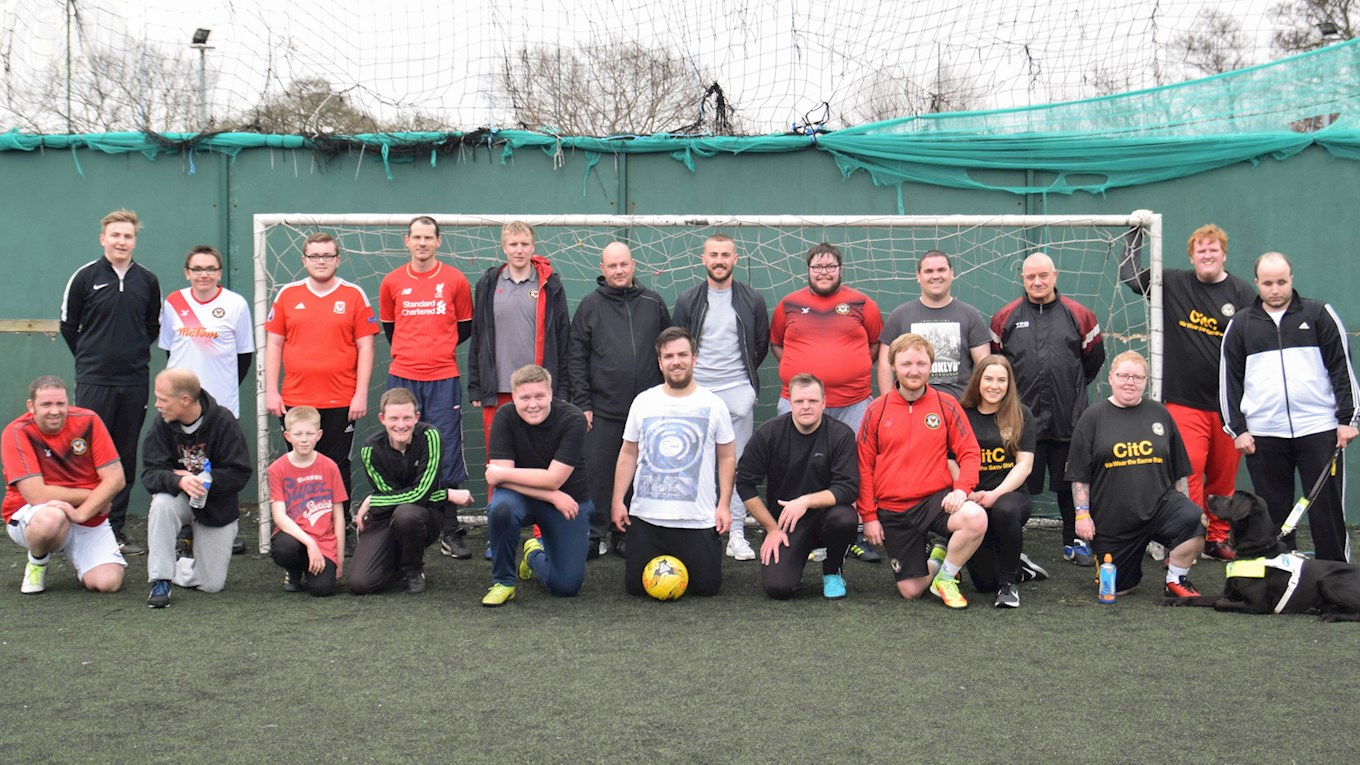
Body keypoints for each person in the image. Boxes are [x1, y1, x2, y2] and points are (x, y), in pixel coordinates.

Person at [1121, 224, 1256, 560]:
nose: (1207, 255)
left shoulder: (1242, 293)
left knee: (1223, 479)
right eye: (1201, 250)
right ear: (1192, 256)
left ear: (1224, 255)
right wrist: (1134, 234)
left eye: (1213, 250)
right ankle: (1188, 539)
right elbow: (1131, 277)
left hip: (1227, 407)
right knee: (1187, 475)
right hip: (1183, 402)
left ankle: (1217, 538)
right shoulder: (1173, 282)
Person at [1220, 252, 1358, 562]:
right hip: (1264, 434)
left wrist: (1347, 419)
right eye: (1268, 283)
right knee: (1272, 514)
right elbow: (1228, 381)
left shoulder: (1319, 314)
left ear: (1291, 279)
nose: (1275, 289)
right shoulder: (1241, 324)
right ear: (1257, 283)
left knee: (1326, 509)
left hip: (1319, 429)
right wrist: (1238, 430)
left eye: (1281, 282)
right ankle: (1281, 576)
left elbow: (1342, 368)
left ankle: (1335, 573)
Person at [990, 251, 1106, 567]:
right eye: (1031, 277)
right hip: (1021, 420)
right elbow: (998, 364)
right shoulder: (1004, 318)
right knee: (1017, 484)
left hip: (1070, 418)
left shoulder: (1080, 315)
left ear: (1055, 275)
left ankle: (1074, 542)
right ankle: (1012, 544)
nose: (1037, 282)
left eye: (1043, 275)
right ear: (1022, 278)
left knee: (1071, 483)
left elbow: (1092, 361)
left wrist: (1069, 390)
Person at [770, 242, 884, 562]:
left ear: (840, 269)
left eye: (830, 266)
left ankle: (854, 532)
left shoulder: (862, 303)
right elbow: (777, 344)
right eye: (817, 267)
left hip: (854, 403)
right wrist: (800, 373)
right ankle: (795, 530)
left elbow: (875, 344)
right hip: (798, 403)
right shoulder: (788, 305)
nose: (824, 272)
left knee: (857, 466)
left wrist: (849, 370)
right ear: (808, 270)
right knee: (796, 465)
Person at [858, 333, 987, 609]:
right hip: (893, 509)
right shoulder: (876, 410)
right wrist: (869, 516)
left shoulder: (946, 404)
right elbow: (864, 466)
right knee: (911, 591)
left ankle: (947, 577)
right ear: (894, 366)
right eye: (906, 364)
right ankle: (938, 558)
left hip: (934, 502)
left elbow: (970, 452)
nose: (914, 371)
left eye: (921, 363)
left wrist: (961, 490)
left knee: (975, 517)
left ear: (931, 366)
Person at [59, 209, 161, 555]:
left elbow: (152, 327)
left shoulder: (147, 281)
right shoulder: (85, 277)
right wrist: (92, 358)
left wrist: (128, 357)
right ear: (103, 238)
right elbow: (68, 326)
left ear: (135, 241)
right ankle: (84, 527)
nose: (121, 241)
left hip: (134, 381)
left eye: (128, 236)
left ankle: (114, 530)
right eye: (115, 235)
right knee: (86, 453)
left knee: (123, 454)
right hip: (94, 381)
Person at [1066, 351, 1205, 596]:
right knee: (1118, 589)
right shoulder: (1093, 417)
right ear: (1111, 378)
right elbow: (1079, 474)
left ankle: (1175, 580)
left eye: (1137, 377)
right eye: (1123, 376)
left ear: (1145, 381)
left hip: (1159, 508)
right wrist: (1082, 515)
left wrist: (1184, 509)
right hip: (1114, 520)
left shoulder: (1160, 413)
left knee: (1194, 518)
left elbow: (1179, 471)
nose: (1130, 382)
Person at [613, 327, 735, 597]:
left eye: (682, 354)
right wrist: (618, 500)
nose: (676, 361)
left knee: (706, 588)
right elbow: (628, 453)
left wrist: (724, 504)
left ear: (694, 358)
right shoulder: (643, 402)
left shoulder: (714, 404)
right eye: (668, 356)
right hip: (647, 518)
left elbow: (727, 456)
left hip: (697, 520)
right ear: (660, 362)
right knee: (636, 589)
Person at [379, 216, 475, 560]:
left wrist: (438, 348)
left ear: (438, 241)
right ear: (406, 241)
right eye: (416, 237)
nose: (422, 243)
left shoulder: (455, 280)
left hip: (443, 377)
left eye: (428, 237)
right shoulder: (391, 282)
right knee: (399, 447)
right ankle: (395, 525)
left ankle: (450, 531)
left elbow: (464, 327)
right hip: (403, 376)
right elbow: (391, 328)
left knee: (444, 449)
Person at [569, 241, 672, 558]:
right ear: (602, 269)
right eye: (612, 265)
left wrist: (667, 397)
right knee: (597, 475)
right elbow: (576, 357)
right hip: (602, 410)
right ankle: (594, 534)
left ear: (633, 265)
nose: (618, 270)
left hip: (647, 411)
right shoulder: (590, 305)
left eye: (623, 264)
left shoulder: (653, 303)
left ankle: (626, 533)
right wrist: (583, 402)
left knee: (640, 475)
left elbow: (669, 350)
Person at [673, 233, 770, 562]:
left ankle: (737, 533)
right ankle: (695, 530)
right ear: (703, 259)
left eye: (725, 254)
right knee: (693, 463)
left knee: (739, 465)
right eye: (713, 254)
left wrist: (744, 385)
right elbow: (678, 344)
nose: (719, 260)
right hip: (697, 391)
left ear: (735, 259)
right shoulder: (687, 299)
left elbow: (759, 345)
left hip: (738, 391)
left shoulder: (752, 299)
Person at [264, 232, 379, 507]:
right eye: (314, 256)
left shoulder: (354, 294)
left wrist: (360, 393)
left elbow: (366, 347)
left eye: (327, 255)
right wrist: (271, 391)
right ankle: (299, 524)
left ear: (337, 260)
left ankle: (339, 525)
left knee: (337, 465)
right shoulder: (288, 294)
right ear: (304, 260)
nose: (321, 261)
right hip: (296, 400)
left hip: (341, 400)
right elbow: (274, 345)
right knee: (299, 465)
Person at [735, 373, 859, 600]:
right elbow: (744, 483)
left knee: (845, 518)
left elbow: (848, 488)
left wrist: (806, 501)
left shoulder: (841, 435)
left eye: (813, 401)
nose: (806, 406)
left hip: (827, 518)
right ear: (789, 403)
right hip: (785, 524)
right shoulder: (769, 433)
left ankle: (832, 572)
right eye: (799, 401)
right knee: (779, 588)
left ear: (824, 402)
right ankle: (794, 563)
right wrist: (772, 529)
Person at [2, 376, 126, 594]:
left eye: (60, 404)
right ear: (31, 406)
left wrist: (82, 513)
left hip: (87, 514)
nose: (55, 411)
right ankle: (37, 561)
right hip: (33, 513)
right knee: (51, 518)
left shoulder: (89, 420)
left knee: (108, 583)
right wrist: (95, 496)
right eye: (46, 404)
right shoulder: (17, 431)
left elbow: (116, 478)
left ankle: (74, 549)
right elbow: (36, 495)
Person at [480, 365, 592, 607]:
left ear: (550, 393)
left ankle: (532, 554)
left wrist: (552, 494)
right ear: (513, 397)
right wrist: (552, 496)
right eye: (525, 398)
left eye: (539, 396)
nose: (533, 404)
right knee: (501, 508)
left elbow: (553, 479)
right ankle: (503, 582)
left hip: (568, 501)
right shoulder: (504, 416)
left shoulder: (573, 419)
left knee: (566, 586)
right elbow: (501, 480)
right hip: (524, 498)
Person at [141, 368, 252, 608]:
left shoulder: (223, 421)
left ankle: (181, 562)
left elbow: (240, 473)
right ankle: (161, 579)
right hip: (179, 499)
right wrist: (179, 481)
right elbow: (150, 473)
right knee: (161, 504)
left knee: (211, 585)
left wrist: (205, 480)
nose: (157, 405)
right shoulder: (161, 423)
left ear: (185, 400)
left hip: (215, 505)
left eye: (163, 399)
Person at [350, 388, 473, 595]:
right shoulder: (370, 449)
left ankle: (413, 570)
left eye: (407, 418)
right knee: (362, 583)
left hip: (424, 516)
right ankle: (397, 563)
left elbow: (420, 494)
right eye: (394, 418)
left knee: (407, 513)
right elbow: (391, 495)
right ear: (382, 419)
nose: (401, 425)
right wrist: (447, 495)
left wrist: (374, 500)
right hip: (385, 516)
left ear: (416, 417)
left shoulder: (430, 436)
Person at [467, 220, 571, 450]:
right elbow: (478, 335)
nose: (519, 250)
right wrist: (476, 385)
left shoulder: (550, 284)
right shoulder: (488, 283)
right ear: (504, 247)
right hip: (499, 388)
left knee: (538, 454)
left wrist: (563, 388)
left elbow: (562, 338)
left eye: (525, 244)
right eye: (513, 244)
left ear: (533, 246)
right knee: (498, 456)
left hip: (537, 389)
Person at [957, 355, 1049, 608]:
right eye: (988, 379)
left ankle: (1009, 585)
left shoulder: (1021, 414)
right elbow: (950, 460)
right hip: (972, 496)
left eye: (1001, 380)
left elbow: (1024, 465)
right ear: (978, 381)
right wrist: (966, 491)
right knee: (984, 583)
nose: (994, 386)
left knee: (1004, 510)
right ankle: (1019, 566)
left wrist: (995, 494)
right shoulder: (962, 414)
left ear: (1009, 384)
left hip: (1010, 496)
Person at [877, 250, 990, 401]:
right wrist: (888, 403)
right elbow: (885, 363)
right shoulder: (899, 316)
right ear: (918, 276)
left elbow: (984, 365)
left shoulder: (971, 315)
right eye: (928, 271)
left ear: (952, 273)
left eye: (941, 270)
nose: (936, 276)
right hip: (911, 407)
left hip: (959, 407)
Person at [159, 245, 254, 419]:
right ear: (187, 273)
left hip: (221, 402)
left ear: (219, 273)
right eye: (197, 269)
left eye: (211, 269)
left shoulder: (236, 304)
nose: (204, 275)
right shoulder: (174, 301)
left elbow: (244, 356)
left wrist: (224, 384)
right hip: (179, 402)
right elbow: (169, 350)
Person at [268, 406, 347, 597]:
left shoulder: (330, 467)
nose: (304, 439)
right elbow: (279, 517)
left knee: (322, 589)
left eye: (310, 433)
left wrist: (339, 560)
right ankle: (294, 570)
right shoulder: (277, 469)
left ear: (319, 435)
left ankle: (312, 568)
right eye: (298, 434)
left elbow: (338, 516)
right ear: (287, 436)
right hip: (294, 537)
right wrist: (310, 543)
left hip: (324, 541)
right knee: (284, 548)